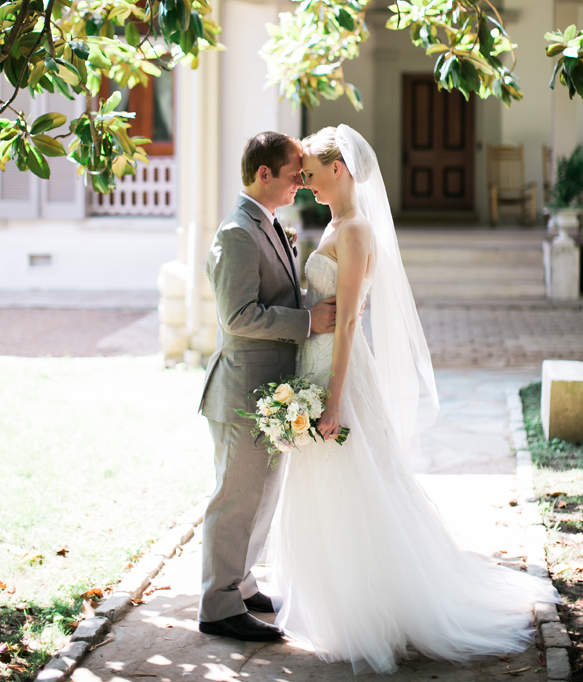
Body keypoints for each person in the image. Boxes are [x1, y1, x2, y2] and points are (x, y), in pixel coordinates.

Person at [270, 124, 558, 674]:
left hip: (340, 373)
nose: (304, 184)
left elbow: (351, 320)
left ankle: (372, 612)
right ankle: (340, 606)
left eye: (310, 175)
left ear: (341, 169)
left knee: (357, 485)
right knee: (328, 487)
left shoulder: (354, 230)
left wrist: (333, 401)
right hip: (316, 363)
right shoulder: (337, 223)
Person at [197, 131, 336, 643]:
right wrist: (307, 322)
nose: (302, 183)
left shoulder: (270, 223)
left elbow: (273, 292)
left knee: (261, 495)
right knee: (234, 499)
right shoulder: (237, 232)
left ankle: (241, 581)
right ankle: (217, 606)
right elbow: (238, 316)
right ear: (264, 175)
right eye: (295, 174)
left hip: (269, 389)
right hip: (241, 390)